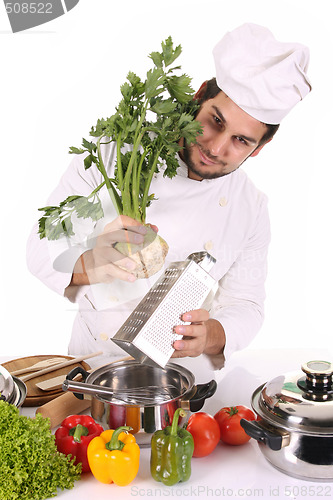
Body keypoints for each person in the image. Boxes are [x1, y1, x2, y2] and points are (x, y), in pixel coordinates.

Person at [26, 23, 311, 370]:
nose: (216, 147)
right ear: (199, 96)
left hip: (185, 383)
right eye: (216, 120)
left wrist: (212, 334)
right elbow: (41, 251)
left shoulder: (250, 208)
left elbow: (247, 305)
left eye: (241, 140)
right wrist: (93, 260)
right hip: (95, 367)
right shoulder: (113, 153)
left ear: (260, 148)